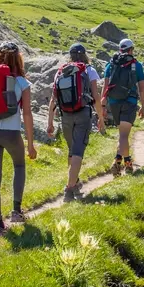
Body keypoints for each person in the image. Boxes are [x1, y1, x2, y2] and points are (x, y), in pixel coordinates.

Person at [0, 41, 37, 236]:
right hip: (12, 133)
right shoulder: (22, 83)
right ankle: (16, 211)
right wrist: (30, 144)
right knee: (19, 166)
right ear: (18, 58)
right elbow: (27, 114)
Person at [46, 43, 106, 201]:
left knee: (72, 150)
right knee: (78, 150)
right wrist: (100, 117)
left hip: (65, 115)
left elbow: (53, 99)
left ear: (70, 55)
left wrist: (50, 122)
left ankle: (75, 182)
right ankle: (69, 188)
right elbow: (95, 97)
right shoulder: (88, 70)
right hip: (82, 114)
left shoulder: (61, 71)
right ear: (85, 55)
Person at [102, 38, 144, 176]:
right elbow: (142, 87)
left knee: (122, 135)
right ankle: (125, 163)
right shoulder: (136, 65)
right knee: (124, 135)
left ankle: (119, 160)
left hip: (114, 102)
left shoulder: (111, 65)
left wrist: (103, 105)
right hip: (129, 102)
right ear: (130, 50)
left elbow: (105, 86)